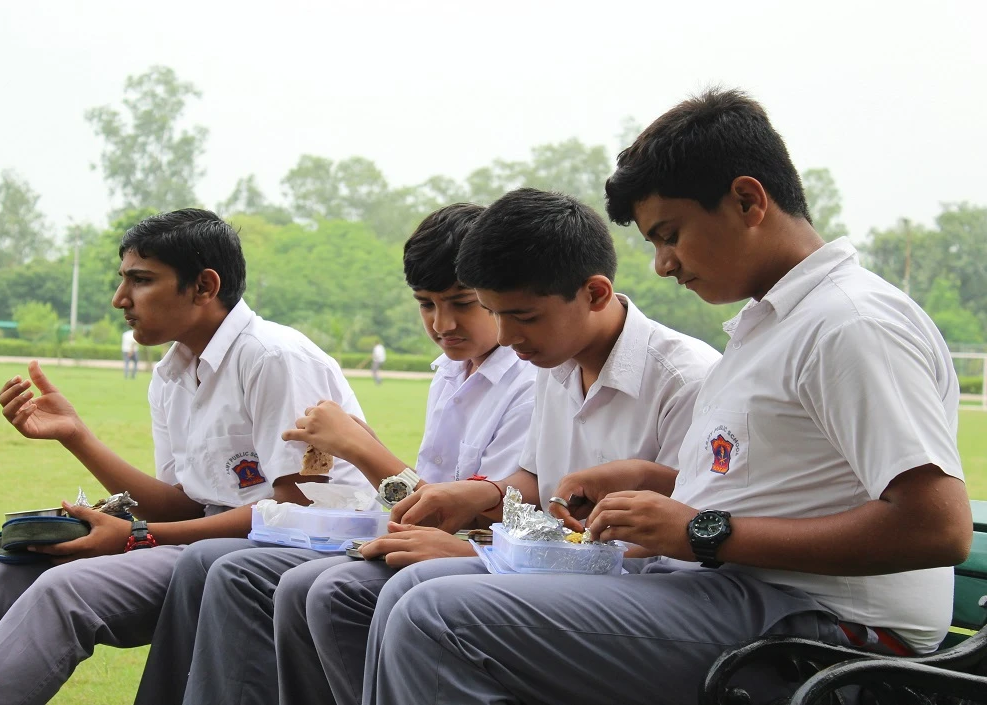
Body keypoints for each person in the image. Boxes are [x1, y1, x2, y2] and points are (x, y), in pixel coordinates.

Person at [363, 89, 972, 705]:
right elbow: (789, 489)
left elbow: (937, 526)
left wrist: (702, 531)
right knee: (405, 595)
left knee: (434, 615)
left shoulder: (849, 324)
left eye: (670, 235)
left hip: (825, 631)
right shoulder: (775, 325)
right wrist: (656, 482)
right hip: (733, 594)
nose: (661, 265)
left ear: (747, 200)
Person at [0, 208, 371, 705]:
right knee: (1, 579)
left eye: (140, 280)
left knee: (64, 591)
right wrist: (76, 436)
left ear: (205, 286)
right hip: (202, 544)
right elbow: (185, 505)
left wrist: (138, 536)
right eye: (123, 279)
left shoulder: (273, 358)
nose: (120, 298)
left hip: (275, 558)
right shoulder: (172, 375)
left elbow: (294, 514)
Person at [297, 187, 720, 705]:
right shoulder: (554, 359)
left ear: (595, 293)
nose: (506, 335)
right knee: (340, 594)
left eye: (523, 315)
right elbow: (535, 482)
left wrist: (486, 552)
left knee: (420, 603)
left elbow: (674, 541)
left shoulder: (685, 380)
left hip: (634, 585)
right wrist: (477, 495)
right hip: (546, 563)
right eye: (496, 314)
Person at [133, 202, 539, 705]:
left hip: (478, 555)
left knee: (291, 584)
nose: (442, 323)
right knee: (220, 567)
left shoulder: (529, 380)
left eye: (462, 303)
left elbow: (468, 518)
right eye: (426, 304)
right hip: (406, 537)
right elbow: (425, 501)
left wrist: (360, 448)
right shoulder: (452, 372)